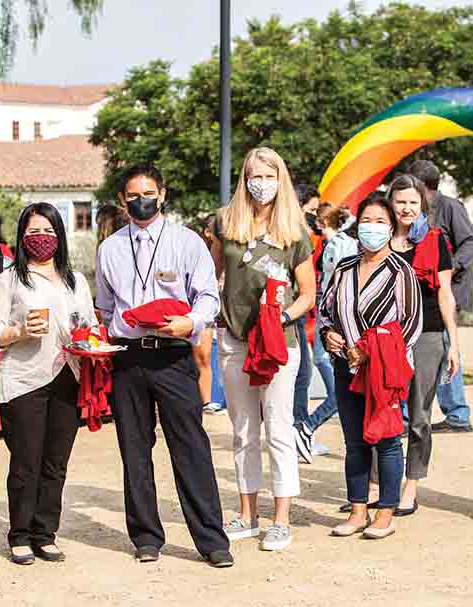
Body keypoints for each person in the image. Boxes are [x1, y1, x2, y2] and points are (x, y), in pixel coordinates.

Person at [94, 164, 233, 568]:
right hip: (127, 356)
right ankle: (146, 537)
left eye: (149, 193)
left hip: (173, 355)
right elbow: (105, 306)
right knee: (134, 450)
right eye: (133, 194)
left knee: (190, 447)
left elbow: (208, 296)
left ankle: (211, 540)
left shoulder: (186, 242)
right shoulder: (110, 249)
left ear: (163, 194)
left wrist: (190, 322)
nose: (142, 200)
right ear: (123, 200)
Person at [210, 147, 316, 552]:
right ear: (244, 178)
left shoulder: (294, 230)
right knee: (243, 430)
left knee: (278, 428)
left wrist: (283, 318)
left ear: (280, 179)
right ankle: (247, 512)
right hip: (235, 339)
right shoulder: (226, 221)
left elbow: (308, 293)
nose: (261, 183)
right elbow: (212, 273)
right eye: (255, 175)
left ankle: (281, 518)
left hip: (277, 344)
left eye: (269, 175)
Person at [0, 203, 95, 565]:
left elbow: (88, 324)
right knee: (26, 462)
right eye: (34, 233)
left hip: (69, 376)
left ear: (60, 236)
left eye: (48, 232)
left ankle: (45, 533)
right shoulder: (8, 281)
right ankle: (19, 534)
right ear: (22, 237)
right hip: (24, 381)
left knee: (55, 462)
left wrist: (91, 339)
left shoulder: (77, 281)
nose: (42, 239)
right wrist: (18, 332)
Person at [319, 192, 422, 539]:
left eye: (380, 222)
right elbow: (327, 310)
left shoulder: (400, 271)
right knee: (354, 441)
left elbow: (410, 323)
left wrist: (371, 351)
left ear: (392, 227)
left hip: (382, 371)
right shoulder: (344, 268)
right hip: (345, 367)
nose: (372, 228)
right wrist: (329, 334)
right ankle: (358, 508)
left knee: (388, 440)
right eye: (366, 221)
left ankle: (386, 512)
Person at [386, 174, 460, 515]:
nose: (406, 208)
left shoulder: (434, 240)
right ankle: (376, 484)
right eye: (400, 201)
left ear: (422, 205)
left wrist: (453, 343)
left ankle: (410, 485)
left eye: (413, 202)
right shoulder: (378, 239)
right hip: (385, 336)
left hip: (427, 335)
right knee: (381, 412)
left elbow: (445, 293)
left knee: (419, 417)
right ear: (391, 203)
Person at [407, 160, 473, 433]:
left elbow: (470, 243)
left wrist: (450, 267)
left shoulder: (449, 207)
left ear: (426, 188)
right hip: (424, 295)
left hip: (449, 291)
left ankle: (458, 414)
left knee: (446, 350)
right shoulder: (416, 211)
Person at [293, 205, 356, 455]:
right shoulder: (341, 243)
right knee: (337, 386)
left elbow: (336, 284)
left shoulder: (337, 245)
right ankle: (306, 428)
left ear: (321, 223)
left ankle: (307, 427)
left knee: (340, 387)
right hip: (330, 318)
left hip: (332, 319)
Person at [291, 183, 320, 461]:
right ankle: (299, 429)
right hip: (294, 315)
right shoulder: (295, 236)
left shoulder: (306, 236)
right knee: (301, 375)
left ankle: (300, 429)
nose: (315, 216)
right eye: (311, 210)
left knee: (304, 374)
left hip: (301, 315)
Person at [192, 215, 225, 414]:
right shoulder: (198, 250)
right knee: (196, 357)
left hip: (210, 312)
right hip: (193, 309)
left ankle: (206, 401)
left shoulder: (224, 250)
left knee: (204, 357)